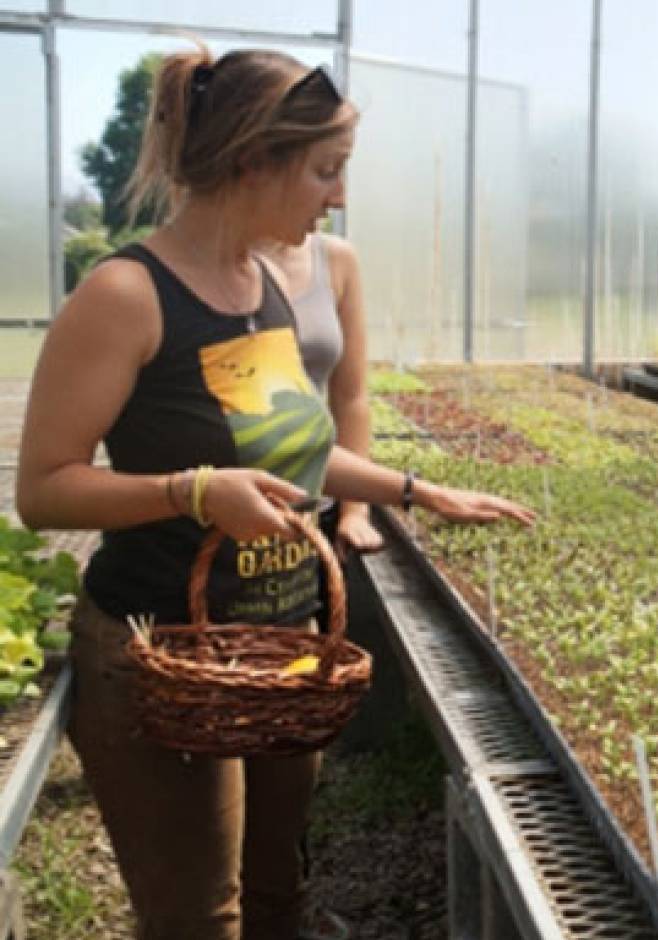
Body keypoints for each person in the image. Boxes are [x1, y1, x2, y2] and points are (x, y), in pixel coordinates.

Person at [14, 45, 533, 940]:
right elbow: (45, 491)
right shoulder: (126, 295)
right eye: (325, 172)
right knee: (198, 919)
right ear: (255, 161)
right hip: (164, 652)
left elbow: (286, 454)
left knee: (278, 894)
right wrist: (192, 491)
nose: (336, 197)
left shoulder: (261, 288)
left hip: (279, 646)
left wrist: (418, 488)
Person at [260, 231, 383, 554]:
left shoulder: (335, 259)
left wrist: (355, 511)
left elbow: (351, 397)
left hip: (313, 500)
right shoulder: (210, 265)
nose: (337, 198)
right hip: (223, 505)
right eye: (323, 176)